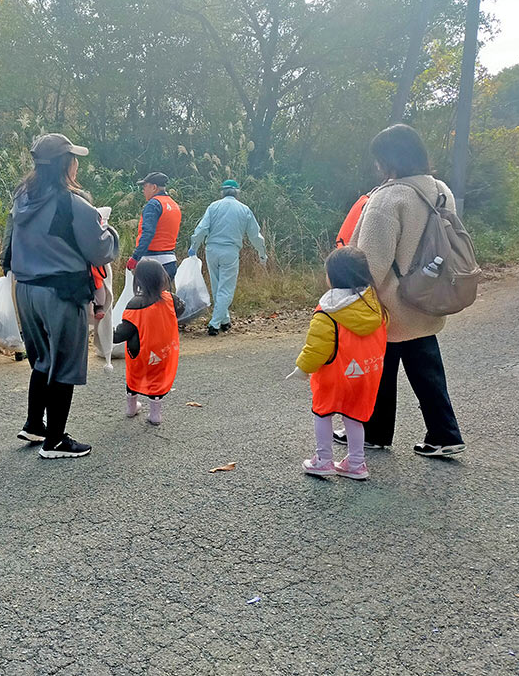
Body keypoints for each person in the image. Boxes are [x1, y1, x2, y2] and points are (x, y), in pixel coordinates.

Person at [337, 123, 466, 457]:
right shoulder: (440, 190)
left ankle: (375, 432)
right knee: (428, 371)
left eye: (379, 159)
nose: (377, 166)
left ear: (389, 159)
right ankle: (445, 433)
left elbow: (371, 264)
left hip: (392, 307)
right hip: (427, 297)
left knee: (378, 371)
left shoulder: (388, 199)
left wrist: (346, 298)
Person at [0, 133, 120, 459]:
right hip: (62, 292)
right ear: (66, 164)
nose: (77, 164)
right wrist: (109, 229)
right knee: (65, 362)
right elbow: (100, 250)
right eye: (74, 158)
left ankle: (34, 425)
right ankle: (55, 441)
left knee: (42, 359)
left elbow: (9, 240)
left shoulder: (23, 197)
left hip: (25, 290)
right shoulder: (72, 204)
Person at [288, 247, 387, 480]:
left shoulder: (328, 311)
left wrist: (303, 368)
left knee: (323, 413)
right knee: (354, 416)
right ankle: (356, 463)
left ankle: (323, 460)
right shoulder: (376, 305)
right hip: (367, 373)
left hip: (334, 375)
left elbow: (317, 348)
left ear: (332, 276)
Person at [188, 179, 268, 336]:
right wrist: (262, 254)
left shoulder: (213, 206)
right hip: (230, 251)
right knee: (226, 289)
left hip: (211, 250)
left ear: (222, 192)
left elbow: (201, 229)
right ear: (237, 193)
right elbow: (255, 236)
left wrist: (194, 248)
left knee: (217, 286)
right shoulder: (244, 209)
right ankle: (214, 324)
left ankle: (225, 321)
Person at [113, 259, 184, 426]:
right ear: (162, 278)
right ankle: (155, 415)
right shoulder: (171, 299)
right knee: (157, 381)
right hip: (163, 351)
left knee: (133, 378)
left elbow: (123, 333)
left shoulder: (135, 304)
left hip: (138, 352)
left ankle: (131, 408)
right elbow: (182, 309)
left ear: (139, 281)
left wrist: (107, 334)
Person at [127, 172, 182, 280]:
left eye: (145, 186)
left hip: (151, 263)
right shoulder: (173, 205)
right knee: (164, 296)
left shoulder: (153, 205)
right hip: (170, 261)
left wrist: (135, 257)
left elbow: (148, 233)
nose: (143, 190)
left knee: (148, 297)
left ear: (154, 187)